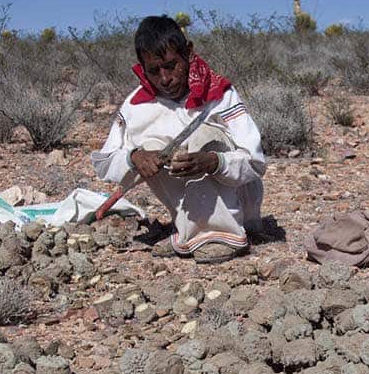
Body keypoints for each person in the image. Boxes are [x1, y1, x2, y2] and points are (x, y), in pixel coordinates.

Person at [91, 15, 266, 264]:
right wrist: (135, 157)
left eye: (172, 65)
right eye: (153, 70)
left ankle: (222, 234)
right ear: (142, 68)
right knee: (151, 146)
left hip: (239, 203)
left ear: (188, 53)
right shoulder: (135, 106)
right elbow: (105, 161)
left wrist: (214, 162)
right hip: (187, 212)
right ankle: (191, 232)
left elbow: (255, 163)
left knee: (203, 137)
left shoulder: (219, 95)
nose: (165, 78)